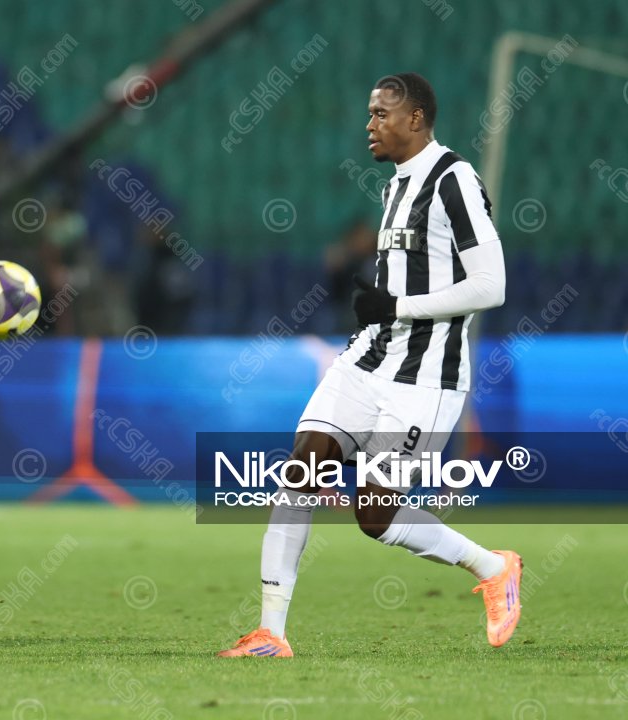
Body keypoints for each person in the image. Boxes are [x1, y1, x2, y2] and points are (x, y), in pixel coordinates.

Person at [219, 73, 520, 658]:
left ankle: (492, 567)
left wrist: (397, 306)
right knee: (301, 471)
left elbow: (492, 285)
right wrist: (381, 309)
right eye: (370, 113)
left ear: (417, 118)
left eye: (382, 113)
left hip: (426, 374)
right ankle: (271, 633)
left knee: (374, 514)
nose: (370, 125)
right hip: (369, 358)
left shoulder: (454, 180)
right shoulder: (394, 188)